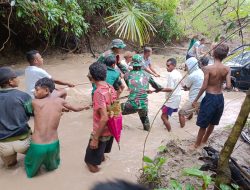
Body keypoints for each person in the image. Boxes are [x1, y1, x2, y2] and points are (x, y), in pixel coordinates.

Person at [24, 77, 86, 178]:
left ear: (47, 90)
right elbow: (76, 108)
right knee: (52, 168)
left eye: (36, 89)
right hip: (54, 145)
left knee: (30, 170)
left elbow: (27, 110)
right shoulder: (60, 102)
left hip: (38, 146)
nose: (34, 92)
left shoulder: (34, 102)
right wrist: (86, 106)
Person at [191, 44, 231, 149]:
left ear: (214, 54)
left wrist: (195, 100)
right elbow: (228, 86)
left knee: (203, 124)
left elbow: (204, 86)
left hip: (210, 98)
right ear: (224, 56)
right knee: (212, 123)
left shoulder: (207, 68)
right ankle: (204, 141)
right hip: (220, 98)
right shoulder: (227, 69)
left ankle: (196, 145)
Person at [85, 62, 117, 173]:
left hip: (101, 132)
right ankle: (101, 158)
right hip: (111, 130)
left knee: (90, 162)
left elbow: (104, 118)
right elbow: (112, 107)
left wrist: (95, 138)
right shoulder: (110, 87)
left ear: (92, 77)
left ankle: (97, 172)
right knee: (100, 154)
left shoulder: (98, 93)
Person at [117, 54, 162, 131]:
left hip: (132, 104)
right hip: (144, 104)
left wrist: (118, 63)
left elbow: (126, 74)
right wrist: (155, 90)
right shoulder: (147, 75)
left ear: (132, 64)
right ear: (141, 64)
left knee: (113, 111)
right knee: (145, 122)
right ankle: (147, 132)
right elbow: (158, 87)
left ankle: (117, 129)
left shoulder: (127, 75)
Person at [0, 67, 33, 167]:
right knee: (36, 160)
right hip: (23, 141)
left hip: (3, 145)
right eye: (16, 77)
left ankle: (11, 162)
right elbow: (32, 113)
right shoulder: (23, 96)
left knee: (10, 166)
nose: (18, 79)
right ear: (10, 81)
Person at [178, 57, 205, 128]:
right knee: (194, 110)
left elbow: (186, 88)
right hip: (203, 97)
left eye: (186, 66)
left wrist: (180, 82)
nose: (186, 68)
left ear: (190, 65)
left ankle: (181, 130)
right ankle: (190, 118)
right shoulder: (200, 71)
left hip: (196, 99)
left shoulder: (192, 76)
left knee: (181, 113)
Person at [160, 58, 182, 132]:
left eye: (168, 65)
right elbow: (182, 85)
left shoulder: (171, 75)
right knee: (165, 114)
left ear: (173, 65)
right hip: (177, 96)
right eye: (166, 65)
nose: (167, 67)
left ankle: (170, 131)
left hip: (172, 98)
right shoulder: (178, 73)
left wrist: (159, 89)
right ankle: (167, 127)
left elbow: (170, 89)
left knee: (163, 116)